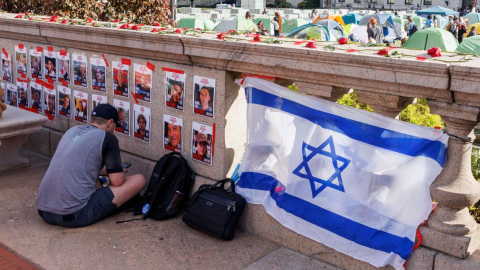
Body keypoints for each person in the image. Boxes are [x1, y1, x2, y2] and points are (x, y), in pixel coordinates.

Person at [36, 103, 147, 228]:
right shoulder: (108, 137)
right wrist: (118, 172)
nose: (113, 130)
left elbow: (80, 165)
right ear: (110, 123)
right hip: (73, 215)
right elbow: (117, 181)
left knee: (94, 180)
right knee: (139, 179)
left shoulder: (72, 131)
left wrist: (106, 171)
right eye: (115, 127)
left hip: (44, 211)